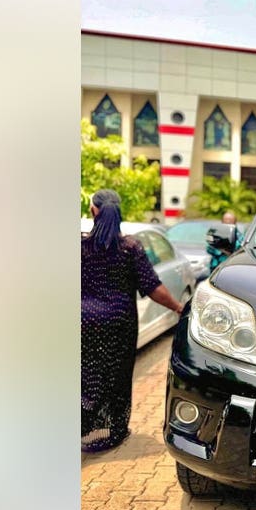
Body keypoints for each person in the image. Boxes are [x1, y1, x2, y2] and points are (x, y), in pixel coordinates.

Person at [81, 189, 184, 453]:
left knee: (85, 374)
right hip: (119, 323)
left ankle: (82, 423)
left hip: (84, 321)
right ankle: (112, 430)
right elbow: (152, 287)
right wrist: (177, 307)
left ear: (94, 211)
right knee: (116, 376)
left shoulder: (81, 246)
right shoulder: (130, 247)